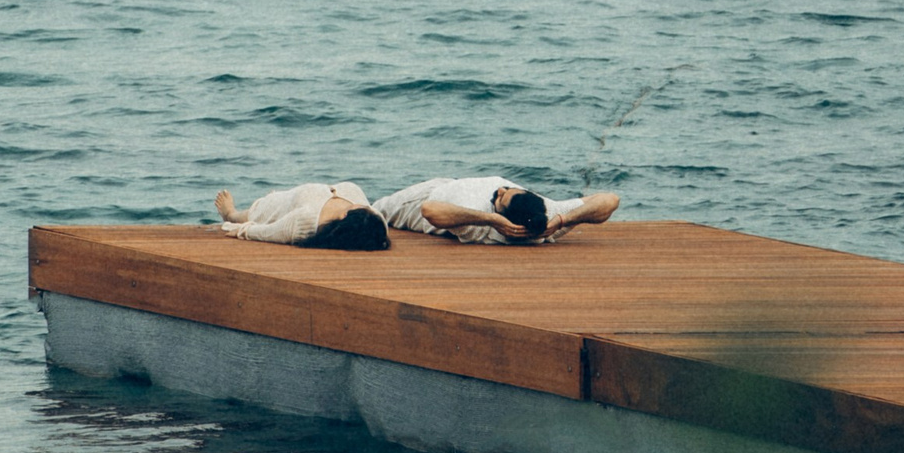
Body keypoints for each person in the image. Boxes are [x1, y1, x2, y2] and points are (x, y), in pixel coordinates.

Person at [370, 177, 621, 245]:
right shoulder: (546, 217)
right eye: (509, 189)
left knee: (373, 213)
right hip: (458, 187)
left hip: (435, 193)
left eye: (500, 197)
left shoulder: (475, 221)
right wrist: (563, 220)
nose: (501, 189)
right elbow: (609, 200)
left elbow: (429, 209)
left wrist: (489, 218)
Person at [211, 182, 392, 251]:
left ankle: (230, 213)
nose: (363, 205)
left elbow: (267, 232)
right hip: (308, 193)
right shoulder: (376, 221)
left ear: (344, 215)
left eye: (360, 208)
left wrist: (241, 229)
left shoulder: (304, 222)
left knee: (247, 215)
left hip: (278, 207)